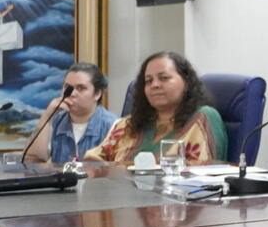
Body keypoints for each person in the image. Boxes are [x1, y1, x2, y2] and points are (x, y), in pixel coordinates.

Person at [84, 51, 227, 164]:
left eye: (164, 78)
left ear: (187, 82)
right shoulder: (127, 125)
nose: (155, 85)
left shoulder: (202, 118)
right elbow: (92, 161)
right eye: (148, 81)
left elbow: (201, 174)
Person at [26, 62, 118, 163]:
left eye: (81, 88)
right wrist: (47, 117)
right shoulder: (56, 121)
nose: (72, 94)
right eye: (68, 87)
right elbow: (32, 161)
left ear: (97, 94)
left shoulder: (113, 126)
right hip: (62, 179)